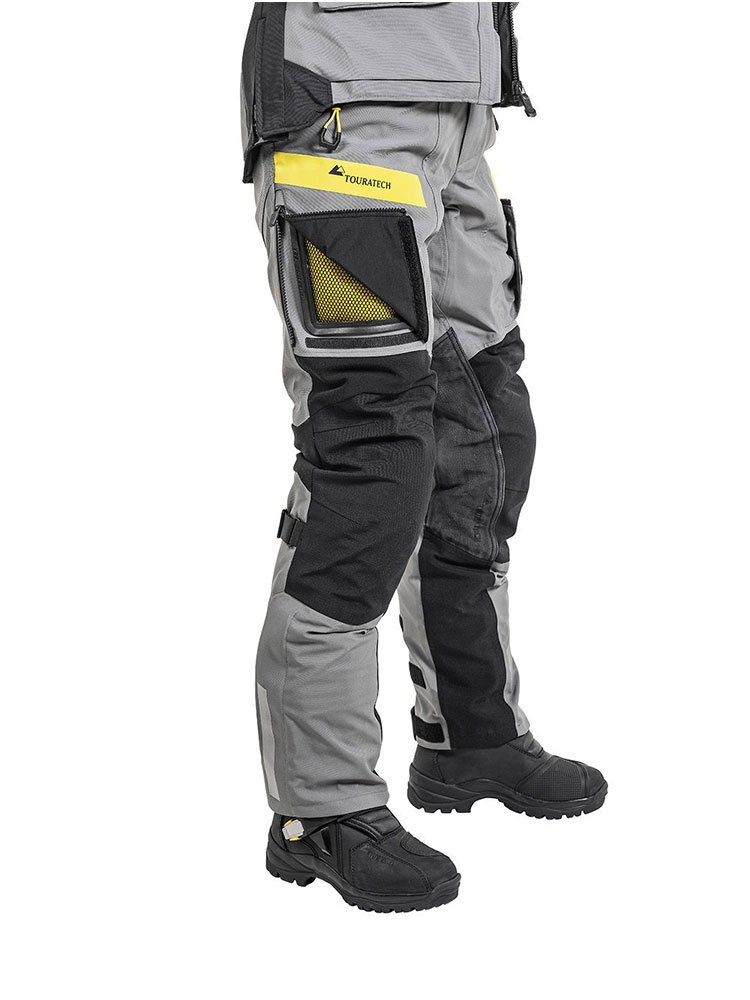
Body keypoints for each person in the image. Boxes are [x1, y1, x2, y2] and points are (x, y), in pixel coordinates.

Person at [241, 2, 606, 913]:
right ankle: (321, 809)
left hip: (460, 116)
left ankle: (469, 735)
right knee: (372, 458)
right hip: (344, 111)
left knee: (481, 430)